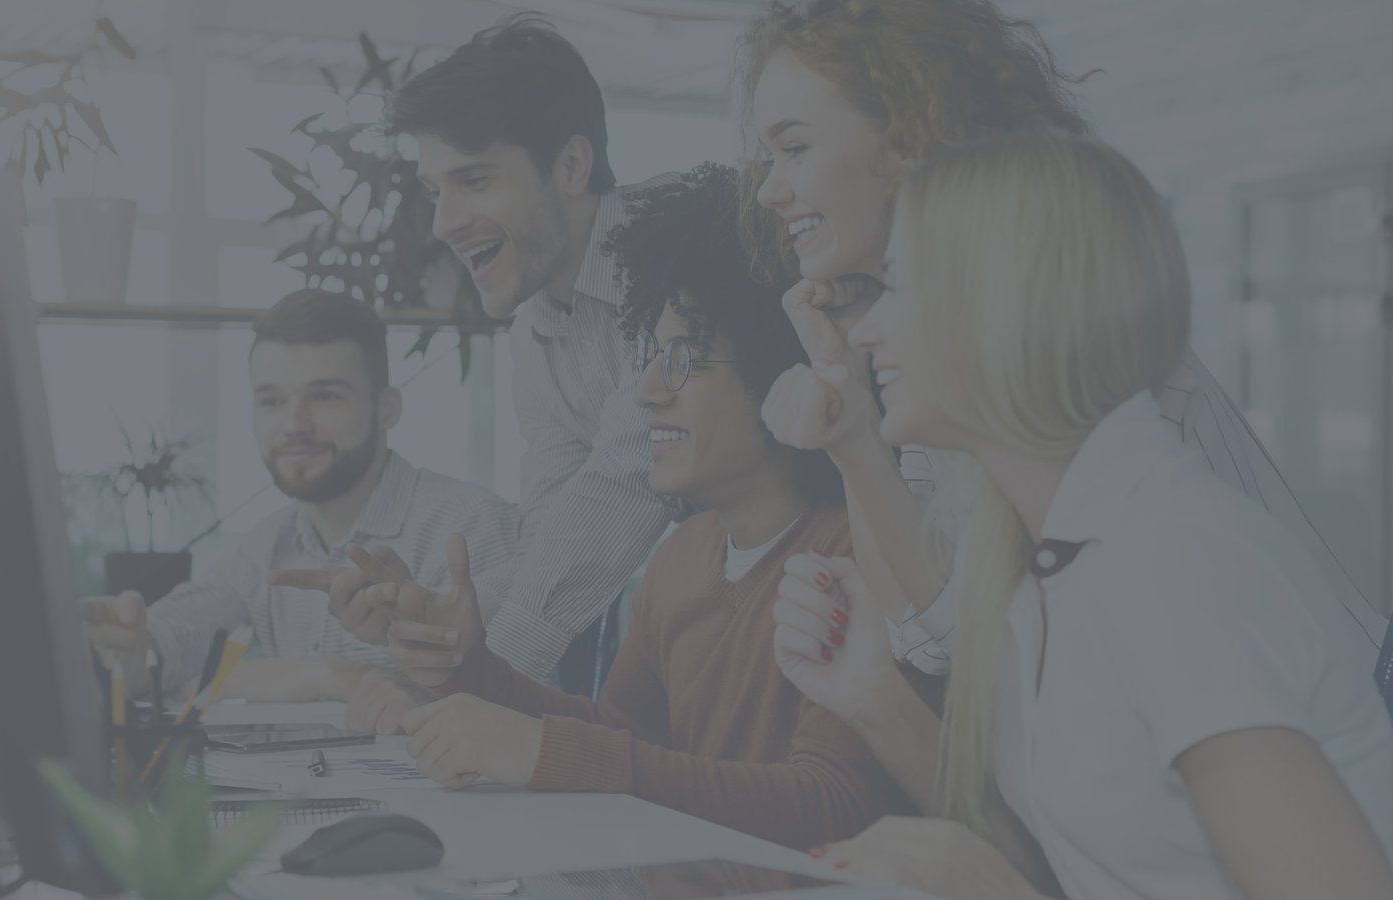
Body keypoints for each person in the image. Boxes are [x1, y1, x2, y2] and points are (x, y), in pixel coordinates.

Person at [797, 130, 1393, 900]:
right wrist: (874, 696)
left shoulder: (1174, 560)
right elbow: (1081, 866)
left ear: (1007, 304)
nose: (866, 329)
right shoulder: (1042, 557)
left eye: (900, 285)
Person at [347, 165, 915, 851]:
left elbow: (832, 803)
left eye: (683, 358)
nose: (646, 390)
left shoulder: (858, 552)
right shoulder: (683, 558)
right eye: (650, 355)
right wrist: (470, 669)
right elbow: (625, 740)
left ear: (776, 365)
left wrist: (546, 752)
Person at [364, 14, 682, 687]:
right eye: (436, 191)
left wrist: (480, 677)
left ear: (570, 166)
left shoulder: (675, 249)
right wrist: (450, 627)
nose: (444, 224)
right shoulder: (536, 330)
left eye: (474, 181)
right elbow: (554, 531)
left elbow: (622, 491)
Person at [81, 290, 517, 701]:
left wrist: (318, 678)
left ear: (387, 409)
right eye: (271, 401)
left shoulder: (471, 526)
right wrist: (130, 646)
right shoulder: (266, 546)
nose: (294, 425)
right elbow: (180, 633)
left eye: (325, 396)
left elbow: (511, 698)